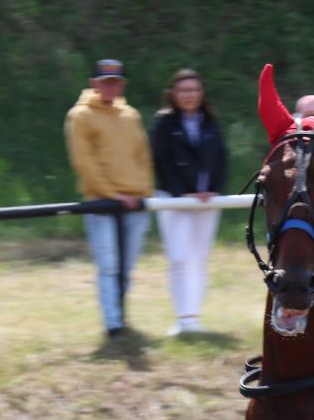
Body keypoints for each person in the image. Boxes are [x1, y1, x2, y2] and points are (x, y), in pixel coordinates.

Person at [65, 58, 154, 338]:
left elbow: (143, 156)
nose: (110, 87)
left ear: (122, 85)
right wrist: (110, 193)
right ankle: (113, 323)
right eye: (105, 82)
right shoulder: (80, 116)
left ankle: (120, 315)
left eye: (115, 82)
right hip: (101, 202)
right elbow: (84, 161)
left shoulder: (130, 115)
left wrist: (143, 190)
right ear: (94, 84)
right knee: (109, 265)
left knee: (126, 267)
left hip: (135, 201)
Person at [145, 69, 229, 335]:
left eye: (195, 90)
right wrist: (183, 193)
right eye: (184, 90)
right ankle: (182, 319)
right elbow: (160, 162)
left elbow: (221, 160)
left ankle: (194, 318)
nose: (190, 95)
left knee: (199, 257)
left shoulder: (210, 122)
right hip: (174, 199)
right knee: (179, 257)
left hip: (207, 201)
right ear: (173, 94)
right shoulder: (164, 123)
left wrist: (214, 190)